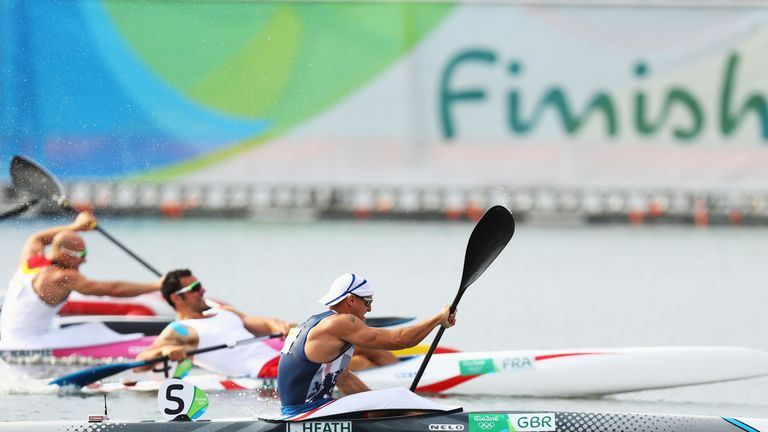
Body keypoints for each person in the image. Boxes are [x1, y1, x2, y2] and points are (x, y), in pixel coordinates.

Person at [277, 272, 456, 417]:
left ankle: (432, 418)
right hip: (306, 412)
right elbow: (399, 340)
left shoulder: (315, 321)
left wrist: (381, 407)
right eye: (368, 302)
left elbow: (344, 379)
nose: (369, 309)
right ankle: (451, 420)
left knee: (393, 401)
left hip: (300, 410)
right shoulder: (341, 323)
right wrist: (437, 319)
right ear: (351, 300)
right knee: (400, 395)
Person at [0, 211, 164, 349]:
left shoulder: (30, 264)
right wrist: (157, 285)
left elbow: (37, 238)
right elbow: (112, 289)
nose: (84, 261)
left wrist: (76, 227)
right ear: (63, 255)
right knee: (97, 332)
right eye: (81, 256)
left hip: (9, 341)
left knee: (91, 330)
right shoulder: (61, 277)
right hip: (28, 346)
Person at [134, 269, 294, 378]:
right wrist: (165, 351)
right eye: (195, 288)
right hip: (262, 372)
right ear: (177, 298)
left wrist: (281, 326)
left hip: (281, 363)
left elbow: (266, 324)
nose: (203, 290)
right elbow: (138, 364)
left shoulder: (224, 311)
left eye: (200, 285)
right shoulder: (179, 330)